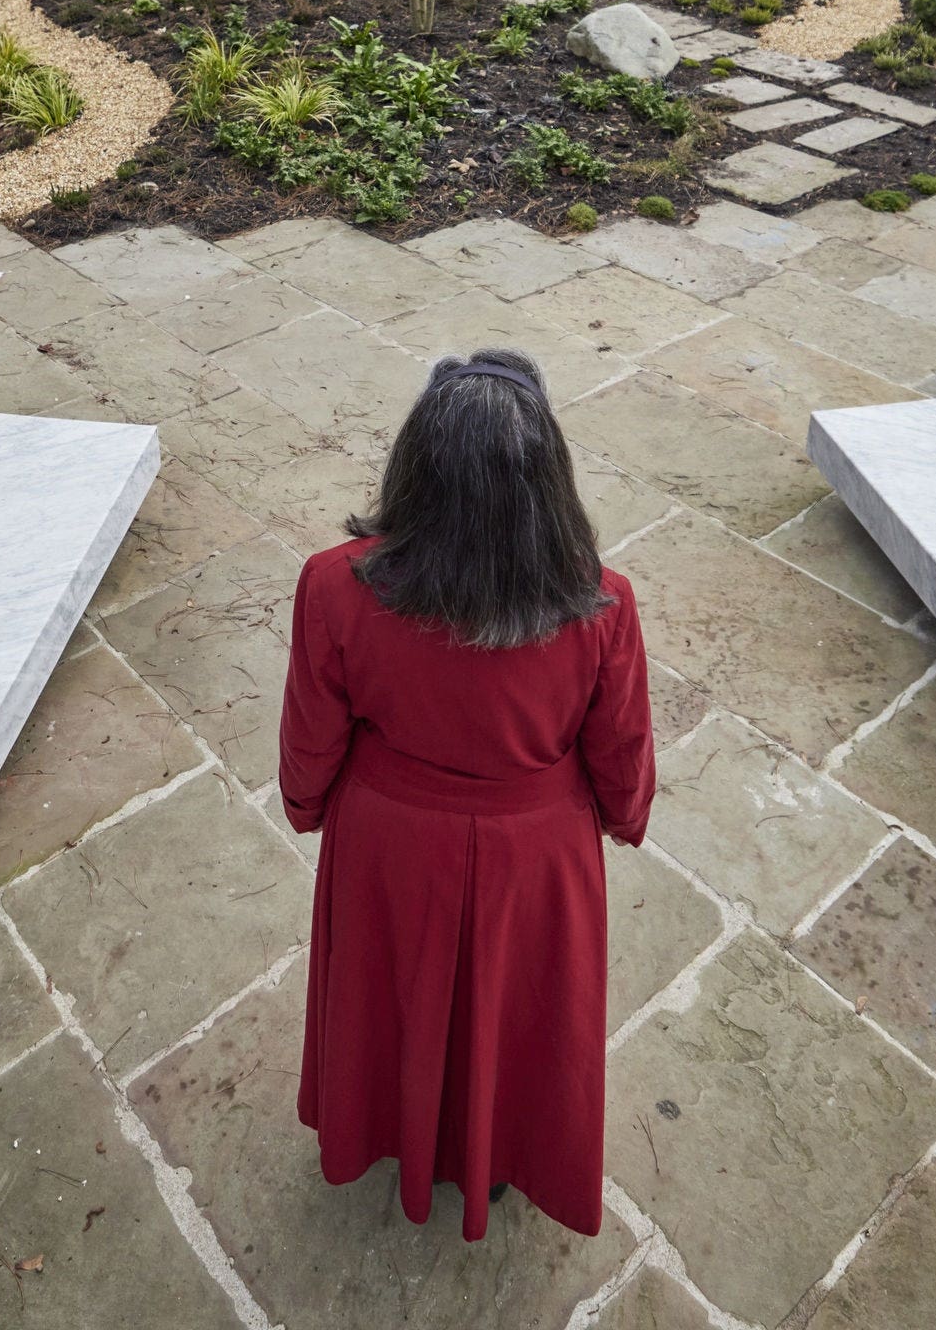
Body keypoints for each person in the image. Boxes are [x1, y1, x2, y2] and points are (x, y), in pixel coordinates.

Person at [277, 348, 657, 1242]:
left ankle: (387, 1128)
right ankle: (493, 1159)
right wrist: (623, 820)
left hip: (389, 843)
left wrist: (306, 804)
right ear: (549, 480)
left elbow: (311, 733)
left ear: (415, 463)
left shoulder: (335, 585)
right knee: (517, 1019)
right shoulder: (603, 603)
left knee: (389, 999)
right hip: (536, 856)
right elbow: (623, 755)